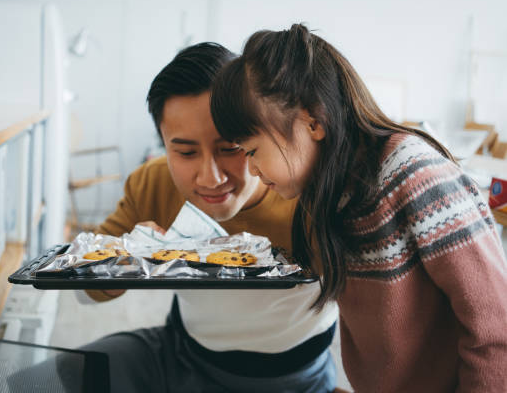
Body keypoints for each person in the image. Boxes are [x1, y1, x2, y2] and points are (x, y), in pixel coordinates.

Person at [209, 23, 507, 393]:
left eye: (252, 151)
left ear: (312, 122)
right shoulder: (327, 193)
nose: (251, 168)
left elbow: (495, 329)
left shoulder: (415, 176)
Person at [82, 42, 339, 393]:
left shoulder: (311, 194)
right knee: (54, 378)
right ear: (163, 144)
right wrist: (127, 264)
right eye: (186, 152)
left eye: (230, 148)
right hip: (181, 356)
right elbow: (82, 290)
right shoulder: (153, 183)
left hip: (296, 377)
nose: (211, 178)